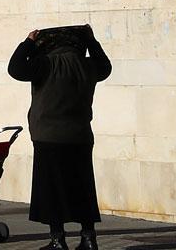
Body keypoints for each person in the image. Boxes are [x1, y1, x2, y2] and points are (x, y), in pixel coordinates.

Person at [9, 25, 113, 250]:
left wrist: (28, 42)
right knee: (83, 188)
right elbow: (106, 67)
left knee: (52, 190)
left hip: (48, 137)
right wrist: (91, 41)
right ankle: (88, 238)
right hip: (80, 136)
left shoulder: (44, 64)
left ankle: (58, 240)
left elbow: (15, 68)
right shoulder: (88, 65)